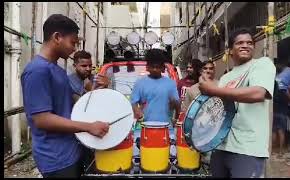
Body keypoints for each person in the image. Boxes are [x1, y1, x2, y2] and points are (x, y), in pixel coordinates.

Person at [21, 14, 110, 178]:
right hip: (56, 158)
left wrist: (97, 90)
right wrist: (89, 127)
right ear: (57, 37)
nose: (74, 48)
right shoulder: (37, 71)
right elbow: (42, 119)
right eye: (73, 42)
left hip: (71, 151)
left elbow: (72, 105)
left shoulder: (58, 70)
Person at [198, 28, 276, 178]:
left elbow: (258, 93)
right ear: (230, 50)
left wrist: (213, 90)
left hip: (247, 148)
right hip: (221, 145)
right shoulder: (226, 78)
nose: (245, 45)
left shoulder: (261, 64)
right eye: (239, 43)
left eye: (249, 43)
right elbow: (219, 109)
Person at [130, 49, 180, 125]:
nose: (155, 69)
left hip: (166, 128)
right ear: (147, 67)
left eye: (158, 67)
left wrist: (175, 118)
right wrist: (139, 115)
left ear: (163, 68)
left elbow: (177, 104)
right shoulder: (139, 83)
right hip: (145, 127)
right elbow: (133, 103)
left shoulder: (170, 83)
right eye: (152, 67)